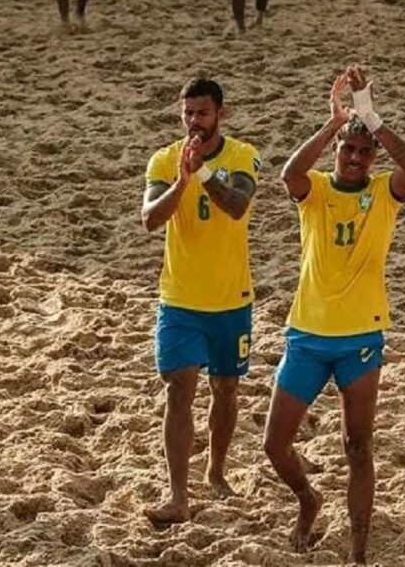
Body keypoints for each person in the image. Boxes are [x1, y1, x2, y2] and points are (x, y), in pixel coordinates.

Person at [266, 66, 405, 564]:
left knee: (358, 447)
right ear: (336, 152)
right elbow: (288, 174)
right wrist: (334, 122)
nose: (354, 158)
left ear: (372, 158)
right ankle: (308, 500)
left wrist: (372, 119)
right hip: (308, 333)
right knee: (275, 445)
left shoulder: (382, 194)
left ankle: (357, 554)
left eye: (363, 152)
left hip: (361, 337)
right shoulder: (314, 192)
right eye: (347, 150)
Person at [141, 77, 261, 525]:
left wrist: (204, 174)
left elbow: (237, 205)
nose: (194, 122)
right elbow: (151, 220)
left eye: (203, 113)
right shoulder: (164, 159)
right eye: (188, 113)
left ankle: (215, 471)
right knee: (179, 390)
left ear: (220, 115)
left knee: (226, 389)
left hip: (230, 298)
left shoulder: (241, 155)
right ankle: (178, 495)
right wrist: (182, 181)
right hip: (180, 299)